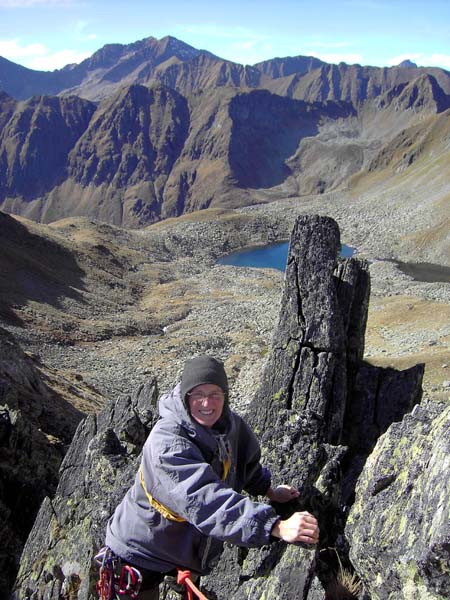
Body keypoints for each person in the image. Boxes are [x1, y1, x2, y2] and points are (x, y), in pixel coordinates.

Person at [103, 355, 319, 599]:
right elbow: (204, 500)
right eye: (198, 394)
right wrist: (274, 526)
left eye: (215, 393)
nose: (207, 403)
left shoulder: (228, 424)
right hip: (139, 550)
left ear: (225, 396)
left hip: (183, 547)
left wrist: (269, 490)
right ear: (186, 397)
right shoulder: (167, 443)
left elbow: (243, 463)